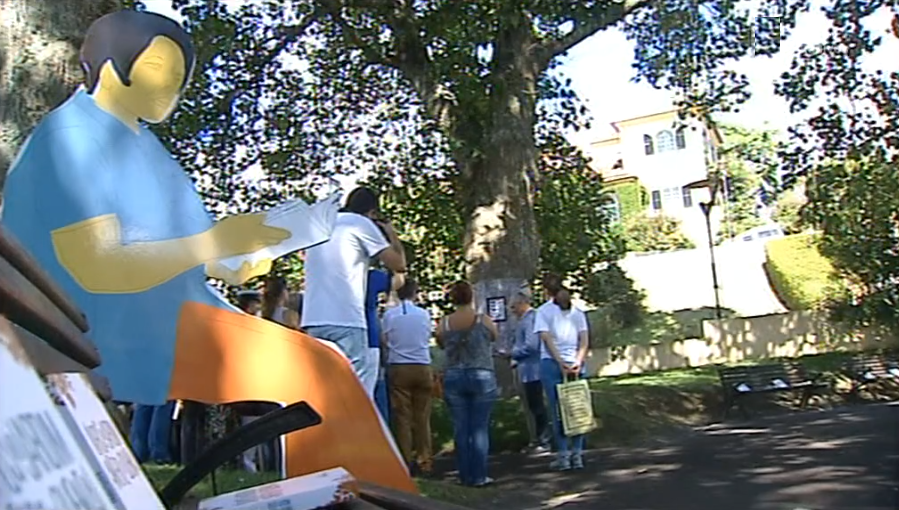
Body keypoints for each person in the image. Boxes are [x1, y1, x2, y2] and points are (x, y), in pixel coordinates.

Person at [0, 10, 414, 490]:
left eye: (179, 79)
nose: (170, 89)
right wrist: (212, 245)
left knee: (325, 371)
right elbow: (98, 266)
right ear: (112, 65)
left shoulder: (138, 144)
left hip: (155, 321)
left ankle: (351, 495)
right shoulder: (74, 138)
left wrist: (247, 252)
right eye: (159, 71)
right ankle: (352, 497)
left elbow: (204, 255)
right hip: (112, 330)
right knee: (321, 375)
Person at [301, 187, 407, 386]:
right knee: (354, 390)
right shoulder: (361, 224)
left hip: (313, 319)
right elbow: (399, 264)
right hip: (346, 319)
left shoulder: (321, 226)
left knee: (323, 388)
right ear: (372, 212)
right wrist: (391, 234)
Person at [436, 281, 499, 487]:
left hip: (454, 375)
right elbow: (493, 337)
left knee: (461, 427)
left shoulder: (444, 323)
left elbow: (441, 342)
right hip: (481, 373)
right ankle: (479, 475)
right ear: (472, 296)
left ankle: (464, 475)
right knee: (479, 427)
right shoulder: (483, 320)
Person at [382, 278, 434, 473]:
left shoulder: (390, 315)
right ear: (415, 292)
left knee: (402, 417)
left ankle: (405, 461)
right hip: (422, 365)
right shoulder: (424, 314)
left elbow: (385, 339)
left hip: (399, 366)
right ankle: (425, 459)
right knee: (422, 417)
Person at [535, 288, 589, 471]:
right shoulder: (578, 313)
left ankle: (563, 455)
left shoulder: (543, 311)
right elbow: (584, 340)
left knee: (557, 409)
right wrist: (578, 361)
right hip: (575, 363)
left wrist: (560, 361)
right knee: (577, 407)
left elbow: (546, 338)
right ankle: (578, 453)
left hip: (551, 364)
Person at [510, 291, 550, 453]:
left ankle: (544, 441)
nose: (512, 310)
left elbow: (531, 346)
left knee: (537, 405)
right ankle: (537, 440)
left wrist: (512, 353)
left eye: (513, 306)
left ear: (522, 303)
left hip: (534, 369)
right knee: (533, 406)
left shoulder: (530, 319)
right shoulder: (526, 320)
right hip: (528, 369)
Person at [366, 264, 404, 404]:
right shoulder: (371, 276)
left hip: (332, 332)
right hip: (369, 337)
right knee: (373, 389)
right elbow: (398, 280)